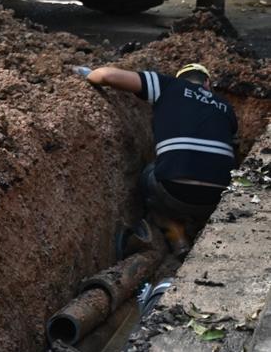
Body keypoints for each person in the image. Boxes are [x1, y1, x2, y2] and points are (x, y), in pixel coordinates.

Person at [83, 62, 238, 254]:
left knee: (149, 173)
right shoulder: (226, 106)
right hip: (218, 199)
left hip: (174, 192)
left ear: (179, 78)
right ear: (207, 83)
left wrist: (88, 75)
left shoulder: (168, 85)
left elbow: (107, 76)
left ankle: (175, 233)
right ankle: (199, 224)